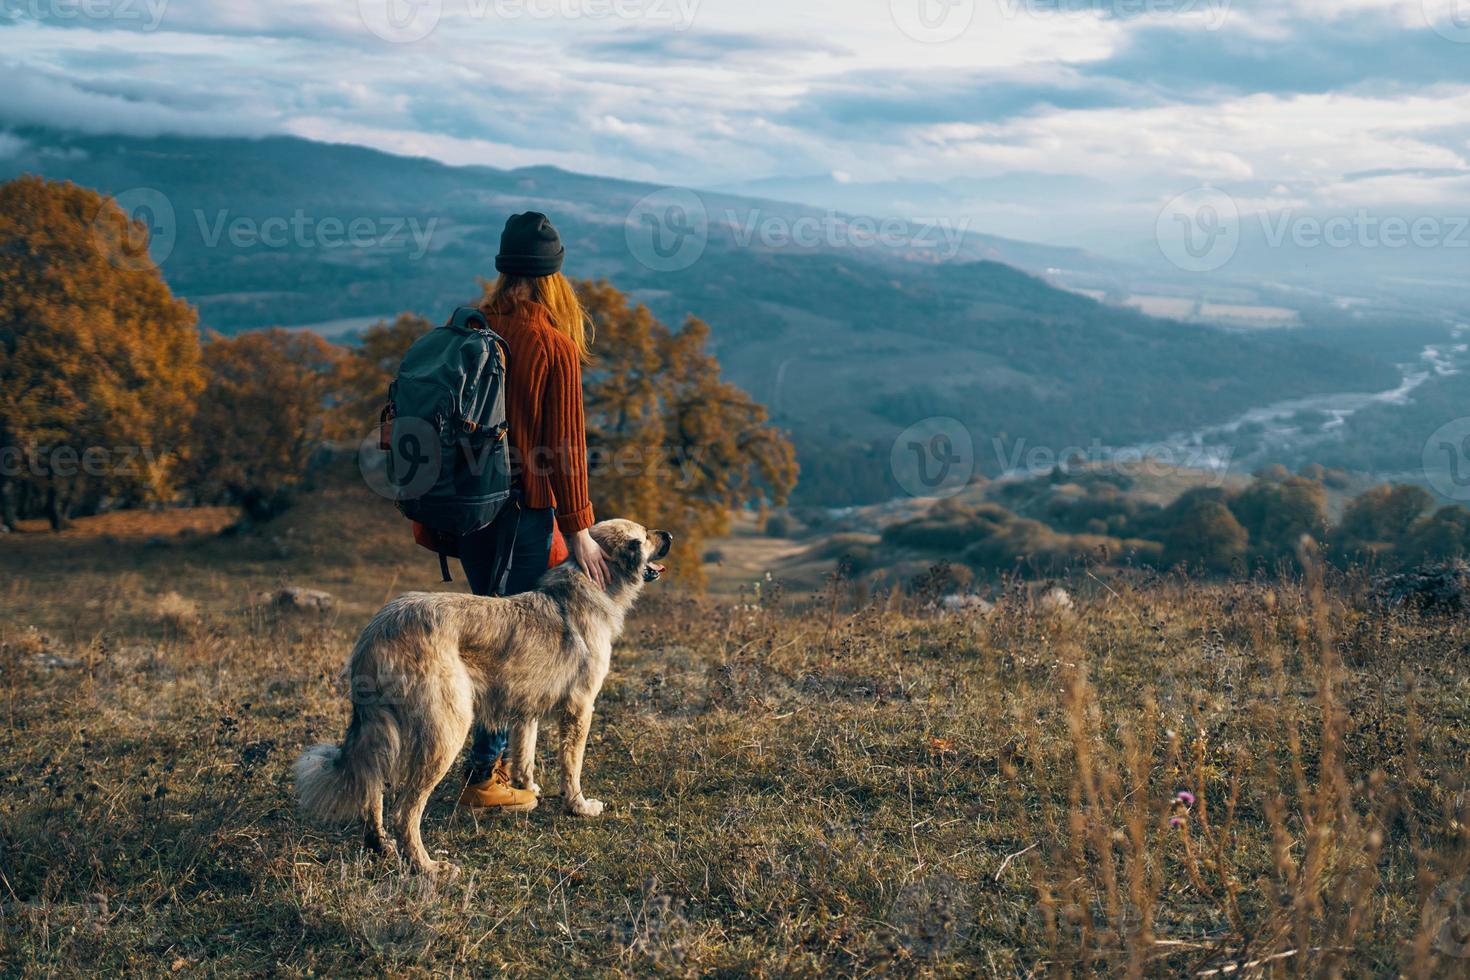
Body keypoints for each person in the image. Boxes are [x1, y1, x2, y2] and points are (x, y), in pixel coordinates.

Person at [457, 211, 610, 810]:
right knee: (510, 644)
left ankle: (491, 765)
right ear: (554, 278)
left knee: (487, 632)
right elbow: (566, 451)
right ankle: (483, 776)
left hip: (467, 511)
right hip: (521, 512)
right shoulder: (552, 343)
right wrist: (580, 531)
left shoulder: (471, 327)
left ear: (503, 269)